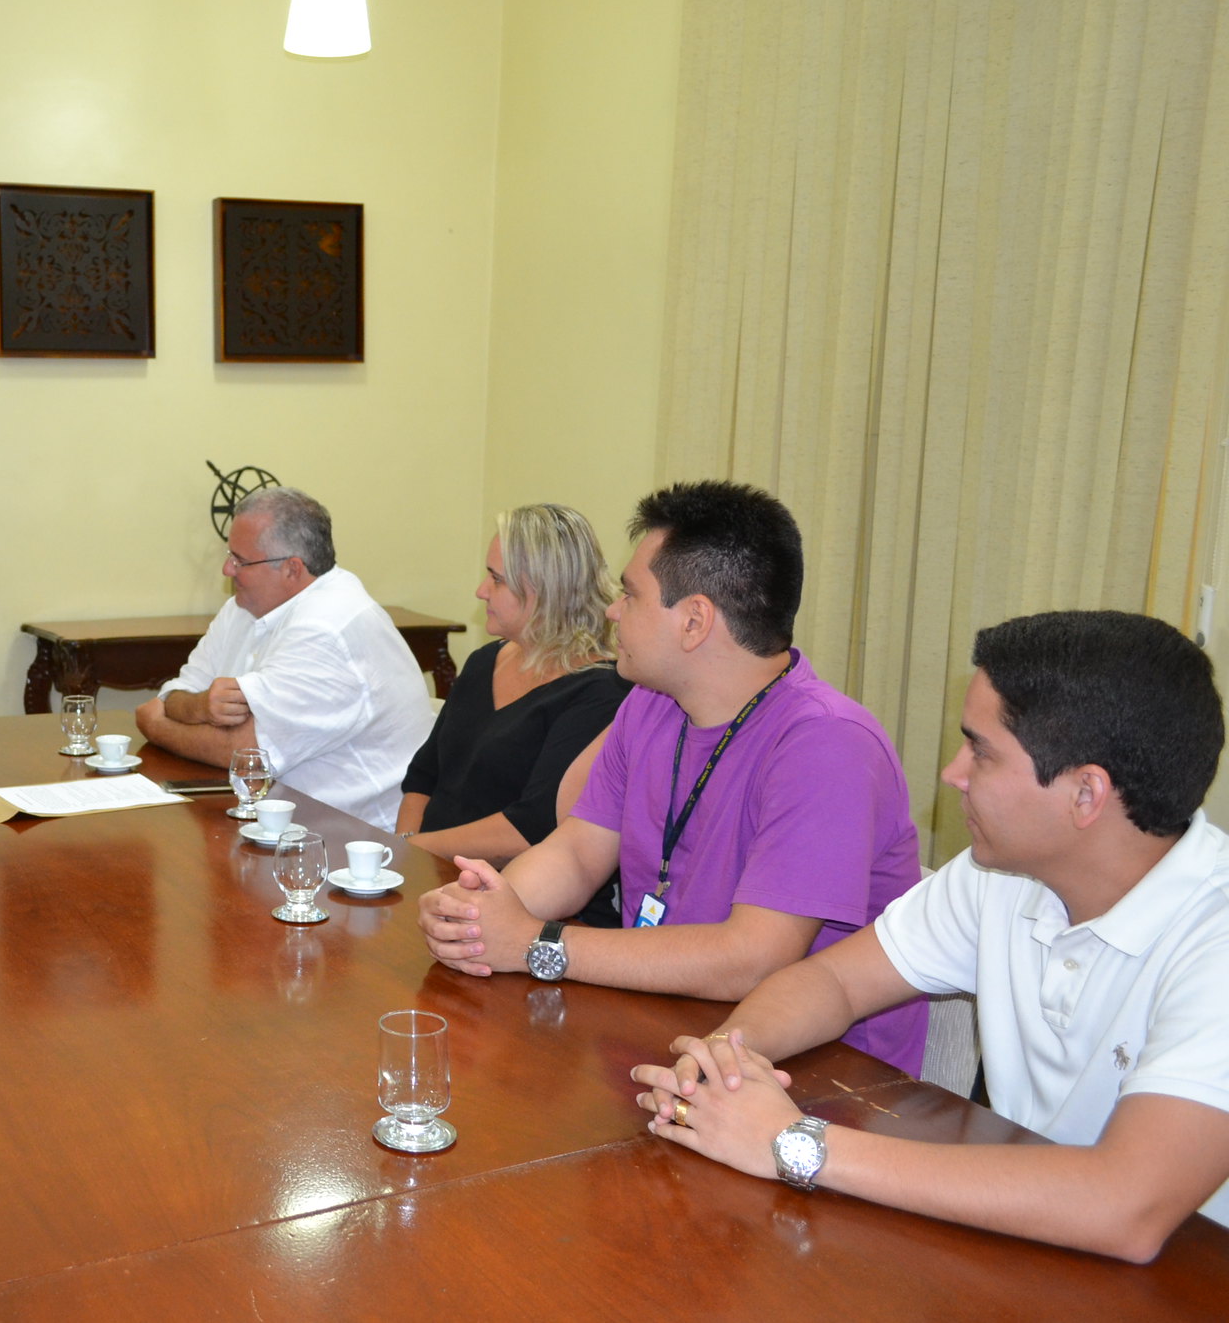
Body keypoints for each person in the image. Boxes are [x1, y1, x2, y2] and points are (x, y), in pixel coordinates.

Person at [634, 611, 1229, 1260]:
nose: (953, 773)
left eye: (982, 750)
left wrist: (793, 1143)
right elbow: (833, 979)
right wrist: (726, 1059)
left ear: (1086, 793)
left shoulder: (1213, 936)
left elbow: (1128, 1206)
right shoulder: (1000, 872)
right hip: (1024, 1242)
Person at [417, 481, 925, 1074]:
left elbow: (753, 958)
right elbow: (579, 852)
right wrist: (482, 917)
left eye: (630, 595)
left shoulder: (828, 745)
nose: (611, 610)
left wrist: (537, 944)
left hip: (811, 1074)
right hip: (660, 1025)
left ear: (694, 622)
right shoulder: (650, 703)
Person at [134, 487, 433, 829]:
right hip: (274, 818)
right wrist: (198, 706)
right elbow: (178, 691)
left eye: (240, 561)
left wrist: (158, 722)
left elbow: (245, 755)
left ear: (292, 569)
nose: (226, 570)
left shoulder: (327, 627)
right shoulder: (243, 608)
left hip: (353, 845)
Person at [397, 504, 632, 926]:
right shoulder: (485, 660)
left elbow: (531, 827)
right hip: (433, 876)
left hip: (515, 905)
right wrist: (406, 856)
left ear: (543, 591)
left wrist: (413, 851)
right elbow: (423, 776)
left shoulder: (602, 692)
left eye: (496, 579)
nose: (480, 591)